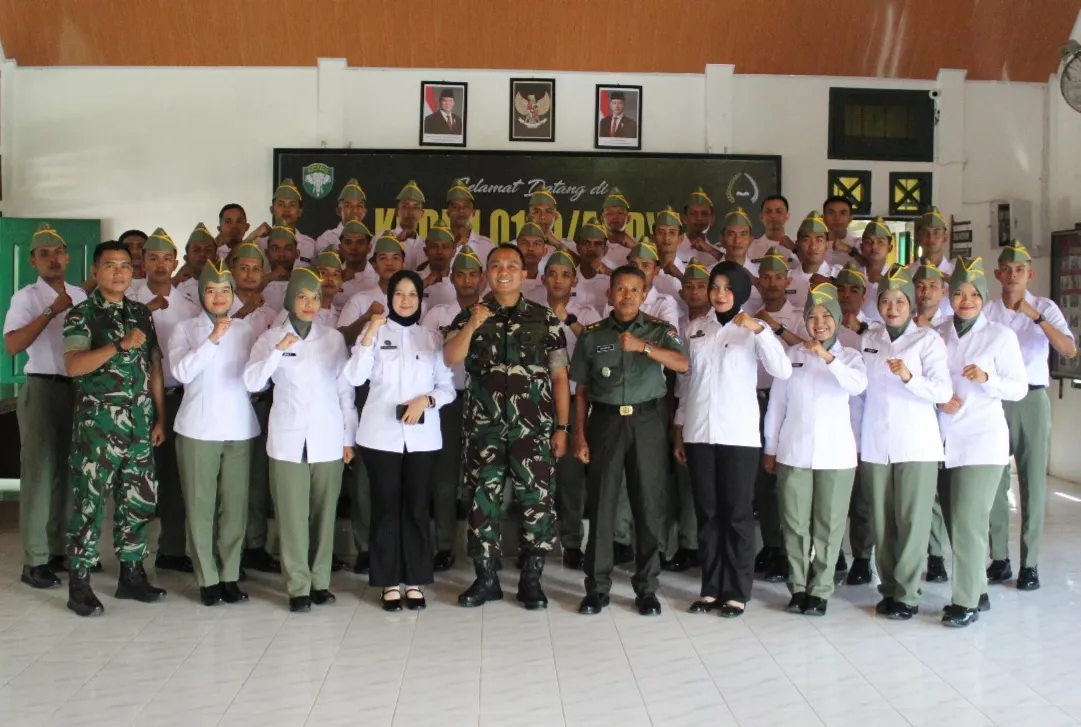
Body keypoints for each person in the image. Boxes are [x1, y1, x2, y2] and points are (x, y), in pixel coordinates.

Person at [443, 245, 571, 610]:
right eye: (496, 265)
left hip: (533, 432)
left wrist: (562, 428)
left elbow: (560, 376)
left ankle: (531, 582)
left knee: (537, 504)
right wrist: (472, 324)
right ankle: (486, 580)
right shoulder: (470, 314)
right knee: (482, 504)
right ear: (486, 272)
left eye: (512, 265)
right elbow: (450, 358)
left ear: (524, 273)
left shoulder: (545, 319)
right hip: (484, 431)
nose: (503, 271)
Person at [674, 261, 791, 617]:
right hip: (699, 433)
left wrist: (760, 331)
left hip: (738, 436)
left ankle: (737, 591)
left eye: (727, 288)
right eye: (715, 287)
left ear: (739, 291)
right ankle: (711, 589)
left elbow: (781, 370)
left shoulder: (751, 329)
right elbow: (686, 382)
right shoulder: (696, 328)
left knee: (737, 515)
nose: (719, 294)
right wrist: (679, 428)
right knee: (707, 514)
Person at [572, 265, 688, 615]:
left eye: (633, 290)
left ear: (644, 294)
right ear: (609, 295)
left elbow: (682, 364)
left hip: (647, 421)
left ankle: (647, 588)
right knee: (603, 505)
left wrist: (644, 347)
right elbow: (581, 391)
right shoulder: (591, 335)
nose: (626, 296)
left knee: (648, 506)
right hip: (605, 422)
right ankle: (597, 587)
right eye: (619, 289)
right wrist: (579, 434)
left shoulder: (658, 330)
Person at [62, 240, 168, 617]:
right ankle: (79, 583)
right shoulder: (81, 315)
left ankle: (132, 575)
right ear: (95, 272)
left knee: (137, 501)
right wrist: (118, 346)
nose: (119, 272)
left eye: (125, 265)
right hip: (98, 426)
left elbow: (154, 366)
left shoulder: (142, 313)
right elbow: (74, 366)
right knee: (89, 504)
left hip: (139, 424)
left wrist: (160, 416)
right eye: (111, 265)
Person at [243, 268, 357, 612]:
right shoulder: (269, 338)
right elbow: (252, 382)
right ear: (291, 299)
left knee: (324, 514)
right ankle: (298, 586)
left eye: (316, 297)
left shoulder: (333, 339)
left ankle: (320, 582)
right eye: (303, 297)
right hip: (288, 440)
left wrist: (347, 437)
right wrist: (278, 351)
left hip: (327, 437)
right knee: (292, 516)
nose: (310, 304)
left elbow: (344, 391)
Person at [346, 270, 455, 611]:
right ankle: (388, 581)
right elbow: (354, 376)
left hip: (422, 438)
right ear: (390, 297)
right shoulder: (375, 333)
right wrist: (371, 332)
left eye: (412, 294)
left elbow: (447, 387)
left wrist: (426, 400)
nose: (405, 300)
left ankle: (415, 580)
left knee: (417, 508)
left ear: (420, 298)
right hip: (380, 436)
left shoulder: (432, 338)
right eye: (399, 294)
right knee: (385, 508)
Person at [764, 283, 867, 616]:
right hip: (793, 452)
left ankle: (820, 589)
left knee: (829, 524)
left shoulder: (850, 357)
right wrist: (770, 448)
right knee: (794, 523)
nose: (819, 323)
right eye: (812, 316)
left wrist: (828, 357)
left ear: (837, 319)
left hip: (837, 456)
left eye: (826, 316)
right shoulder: (790, 358)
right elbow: (776, 406)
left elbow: (856, 385)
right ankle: (797, 586)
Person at [936, 256, 1027, 627]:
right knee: (955, 522)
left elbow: (1019, 388)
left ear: (983, 297)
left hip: (982, 441)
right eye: (958, 293)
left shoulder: (999, 336)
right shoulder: (939, 332)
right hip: (943, 440)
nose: (966, 300)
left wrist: (988, 378)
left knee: (969, 522)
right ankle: (979, 590)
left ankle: (965, 602)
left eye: (974, 294)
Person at [860, 264, 952, 620]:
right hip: (876, 441)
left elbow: (943, 391)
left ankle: (909, 593)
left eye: (900, 301)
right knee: (881, 521)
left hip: (916, 443)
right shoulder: (870, 338)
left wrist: (910, 377)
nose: (892, 307)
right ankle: (889, 588)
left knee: (912, 519)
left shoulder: (927, 340)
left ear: (912, 305)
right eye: (886, 301)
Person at [985, 242, 1077, 591]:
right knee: (993, 479)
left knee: (1033, 483)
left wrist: (1035, 316)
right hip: (994, 399)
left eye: (1019, 270)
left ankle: (1031, 563)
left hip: (1031, 397)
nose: (1012, 275)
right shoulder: (989, 310)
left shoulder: (1045, 307)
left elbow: (1069, 349)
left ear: (1029, 274)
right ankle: (1000, 558)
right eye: (1006, 269)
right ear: (997, 274)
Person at [169, 261, 259, 606]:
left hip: (238, 426)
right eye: (211, 290)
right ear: (201, 295)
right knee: (201, 506)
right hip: (198, 428)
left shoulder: (245, 329)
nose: (219, 297)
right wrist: (212, 339)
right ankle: (207, 577)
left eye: (225, 290)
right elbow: (181, 372)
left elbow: (252, 379)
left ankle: (230, 575)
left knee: (234, 507)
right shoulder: (186, 329)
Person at [4, 223, 88, 588]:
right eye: (44, 254)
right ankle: (34, 560)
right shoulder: (26, 298)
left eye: (58, 252)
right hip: (41, 388)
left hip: (77, 389)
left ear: (67, 256)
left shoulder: (80, 295)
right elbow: (12, 345)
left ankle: (61, 550)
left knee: (71, 472)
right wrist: (51, 312)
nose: (53, 259)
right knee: (40, 473)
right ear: (34, 261)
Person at [128, 228, 201, 574]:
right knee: (134, 477)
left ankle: (171, 549)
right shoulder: (127, 298)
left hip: (175, 397)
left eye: (166, 258)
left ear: (176, 262)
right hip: (131, 398)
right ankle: (130, 554)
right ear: (142, 261)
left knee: (172, 477)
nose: (160, 264)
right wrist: (145, 309)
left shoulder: (189, 305)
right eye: (152, 258)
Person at [337, 232, 406, 574]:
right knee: (366, 474)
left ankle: (398, 541)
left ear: (404, 263)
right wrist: (368, 318)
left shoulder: (411, 298)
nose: (389, 262)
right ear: (374, 262)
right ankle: (365, 545)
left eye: (396, 257)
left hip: (406, 393)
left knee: (403, 472)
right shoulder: (361, 299)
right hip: (368, 392)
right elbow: (340, 340)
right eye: (383, 257)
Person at [421, 245, 486, 571]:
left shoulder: (492, 312)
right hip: (446, 402)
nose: (466, 280)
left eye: (472, 274)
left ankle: (483, 548)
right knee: (444, 477)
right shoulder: (437, 315)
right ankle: (444, 545)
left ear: (482, 278)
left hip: (484, 402)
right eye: (460, 274)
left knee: (484, 476)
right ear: (452, 277)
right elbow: (430, 356)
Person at [538, 249, 602, 571]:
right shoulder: (532, 311)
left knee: (572, 477)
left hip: (578, 402)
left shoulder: (587, 313)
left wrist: (569, 321)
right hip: (538, 401)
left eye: (565, 274)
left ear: (574, 280)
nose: (559, 279)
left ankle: (573, 543)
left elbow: (597, 348)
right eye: (553, 273)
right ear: (543, 278)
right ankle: (535, 542)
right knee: (538, 476)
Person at [749, 246, 807, 583]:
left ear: (787, 280)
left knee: (787, 478)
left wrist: (775, 327)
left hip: (787, 402)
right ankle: (770, 544)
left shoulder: (799, 315)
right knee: (762, 478)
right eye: (766, 277)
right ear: (758, 282)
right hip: (755, 402)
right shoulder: (750, 316)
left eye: (777, 277)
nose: (771, 283)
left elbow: (804, 350)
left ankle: (790, 550)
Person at [229, 243, 281, 575]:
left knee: (257, 478)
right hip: (228, 403)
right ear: (232, 270)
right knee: (232, 480)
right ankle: (230, 547)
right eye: (243, 267)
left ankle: (256, 543)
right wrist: (242, 311)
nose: (249, 274)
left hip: (263, 402)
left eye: (255, 268)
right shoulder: (219, 304)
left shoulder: (271, 314)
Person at [911, 258, 953, 584]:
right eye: (921, 285)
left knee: (944, 492)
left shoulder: (953, 325)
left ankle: (940, 554)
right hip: (917, 417)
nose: (926, 291)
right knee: (923, 492)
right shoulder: (901, 323)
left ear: (944, 290)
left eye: (933, 286)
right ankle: (928, 554)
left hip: (950, 415)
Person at [833, 263, 874, 586]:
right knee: (833, 498)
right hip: (830, 425)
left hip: (862, 426)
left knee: (861, 501)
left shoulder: (875, 332)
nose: (846, 296)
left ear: (865, 295)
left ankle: (862, 556)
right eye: (841, 290)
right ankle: (834, 554)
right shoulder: (821, 327)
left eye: (854, 290)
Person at [250, 179, 318, 268]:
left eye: (292, 205)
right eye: (281, 204)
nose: (286, 209)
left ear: (299, 212)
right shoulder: (258, 242)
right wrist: (252, 236)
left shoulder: (310, 245)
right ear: (272, 210)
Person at [787, 212, 840, 308]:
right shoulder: (785, 278)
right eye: (806, 240)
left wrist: (831, 284)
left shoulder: (838, 274)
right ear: (797, 244)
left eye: (819, 240)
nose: (813, 246)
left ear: (827, 244)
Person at [446, 178, 496, 263]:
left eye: (465, 206)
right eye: (455, 207)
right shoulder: (438, 246)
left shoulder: (487, 246)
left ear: (474, 212)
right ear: (448, 213)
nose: (461, 211)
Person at [315, 178, 368, 254]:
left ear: (365, 212)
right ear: (339, 211)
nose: (354, 210)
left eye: (359, 206)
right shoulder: (327, 239)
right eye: (348, 206)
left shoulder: (371, 240)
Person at [857, 217, 895, 323]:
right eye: (869, 242)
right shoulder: (853, 275)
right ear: (861, 247)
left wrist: (886, 283)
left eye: (880, 242)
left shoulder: (898, 278)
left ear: (890, 248)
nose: (874, 246)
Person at [417, 216, 460, 307]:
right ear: (426, 251)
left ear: (454, 252)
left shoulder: (461, 282)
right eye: (434, 246)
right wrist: (424, 283)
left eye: (445, 246)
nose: (439, 251)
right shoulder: (413, 280)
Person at [334, 217, 378, 305]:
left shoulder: (379, 280)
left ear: (369, 248)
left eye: (360, 242)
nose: (354, 247)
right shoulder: (330, 278)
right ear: (340, 248)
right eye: (348, 242)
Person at [572, 220, 611, 311]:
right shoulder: (566, 277)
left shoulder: (613, 280)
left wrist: (609, 272)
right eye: (586, 243)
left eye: (597, 243)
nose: (591, 248)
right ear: (578, 247)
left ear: (605, 250)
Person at [174, 223, 221, 299]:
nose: (202, 254)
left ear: (216, 258)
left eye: (208, 250)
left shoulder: (226, 289)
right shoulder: (174, 290)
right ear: (186, 258)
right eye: (196, 250)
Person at [261, 222, 301, 310]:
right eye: (275, 249)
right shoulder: (255, 286)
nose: (281, 254)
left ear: (297, 253)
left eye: (288, 248)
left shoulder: (305, 287)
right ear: (267, 253)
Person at [650, 206, 687, 299]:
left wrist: (681, 277)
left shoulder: (688, 272)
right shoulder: (644, 269)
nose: (666, 238)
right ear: (653, 238)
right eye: (661, 232)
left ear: (680, 239)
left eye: (672, 232)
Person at [676, 187, 719, 264]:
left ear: (712, 219)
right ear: (684, 218)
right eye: (693, 214)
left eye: (704, 213)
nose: (699, 218)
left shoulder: (719, 251)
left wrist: (712, 251)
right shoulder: (672, 247)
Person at [749, 195, 796, 263]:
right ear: (761, 217)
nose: (773, 216)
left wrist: (795, 250)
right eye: (768, 211)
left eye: (779, 211)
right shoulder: (750, 247)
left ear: (787, 216)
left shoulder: (797, 248)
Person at [393, 181, 427, 271]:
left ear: (422, 214)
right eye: (405, 206)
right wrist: (395, 241)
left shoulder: (426, 245)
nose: (410, 211)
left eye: (415, 207)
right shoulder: (381, 238)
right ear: (396, 212)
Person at [599, 188, 635, 270]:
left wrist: (634, 247)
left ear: (628, 218)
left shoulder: (638, 245)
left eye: (620, 213)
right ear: (602, 219)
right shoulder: (594, 245)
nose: (615, 217)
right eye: (609, 213)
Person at [822, 196, 860, 268]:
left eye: (843, 213)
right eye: (831, 212)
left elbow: (872, 268)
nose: (837, 217)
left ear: (850, 218)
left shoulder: (859, 244)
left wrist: (850, 250)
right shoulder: (813, 244)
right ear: (823, 218)